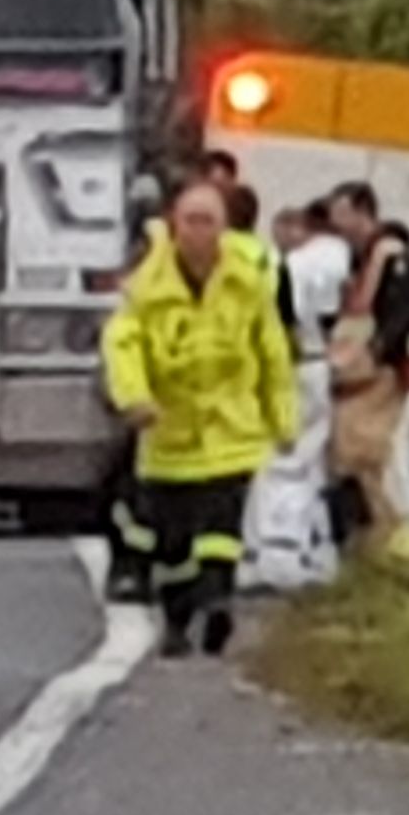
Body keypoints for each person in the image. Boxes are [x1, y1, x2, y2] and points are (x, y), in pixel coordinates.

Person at [104, 180, 299, 657]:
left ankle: (216, 603)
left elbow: (271, 353)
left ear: (224, 227)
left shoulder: (247, 281)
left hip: (230, 431)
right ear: (174, 225)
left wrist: (283, 420)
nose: (198, 231)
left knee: (221, 529)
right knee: (172, 542)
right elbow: (122, 344)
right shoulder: (148, 285)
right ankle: (177, 619)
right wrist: (134, 398)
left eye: (207, 221)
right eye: (189, 221)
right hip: (168, 434)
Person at [321, 182, 409, 574]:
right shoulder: (362, 256)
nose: (336, 223)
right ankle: (381, 544)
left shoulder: (387, 252)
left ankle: (404, 547)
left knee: (391, 462)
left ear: (361, 212)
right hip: (380, 377)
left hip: (395, 377)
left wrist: (383, 342)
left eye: (341, 213)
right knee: (364, 461)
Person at [243, 201, 351, 588]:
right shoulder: (339, 257)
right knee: (311, 458)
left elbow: (280, 311)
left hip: (291, 361)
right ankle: (315, 551)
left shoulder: (296, 264)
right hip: (318, 360)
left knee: (281, 457)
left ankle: (276, 552)